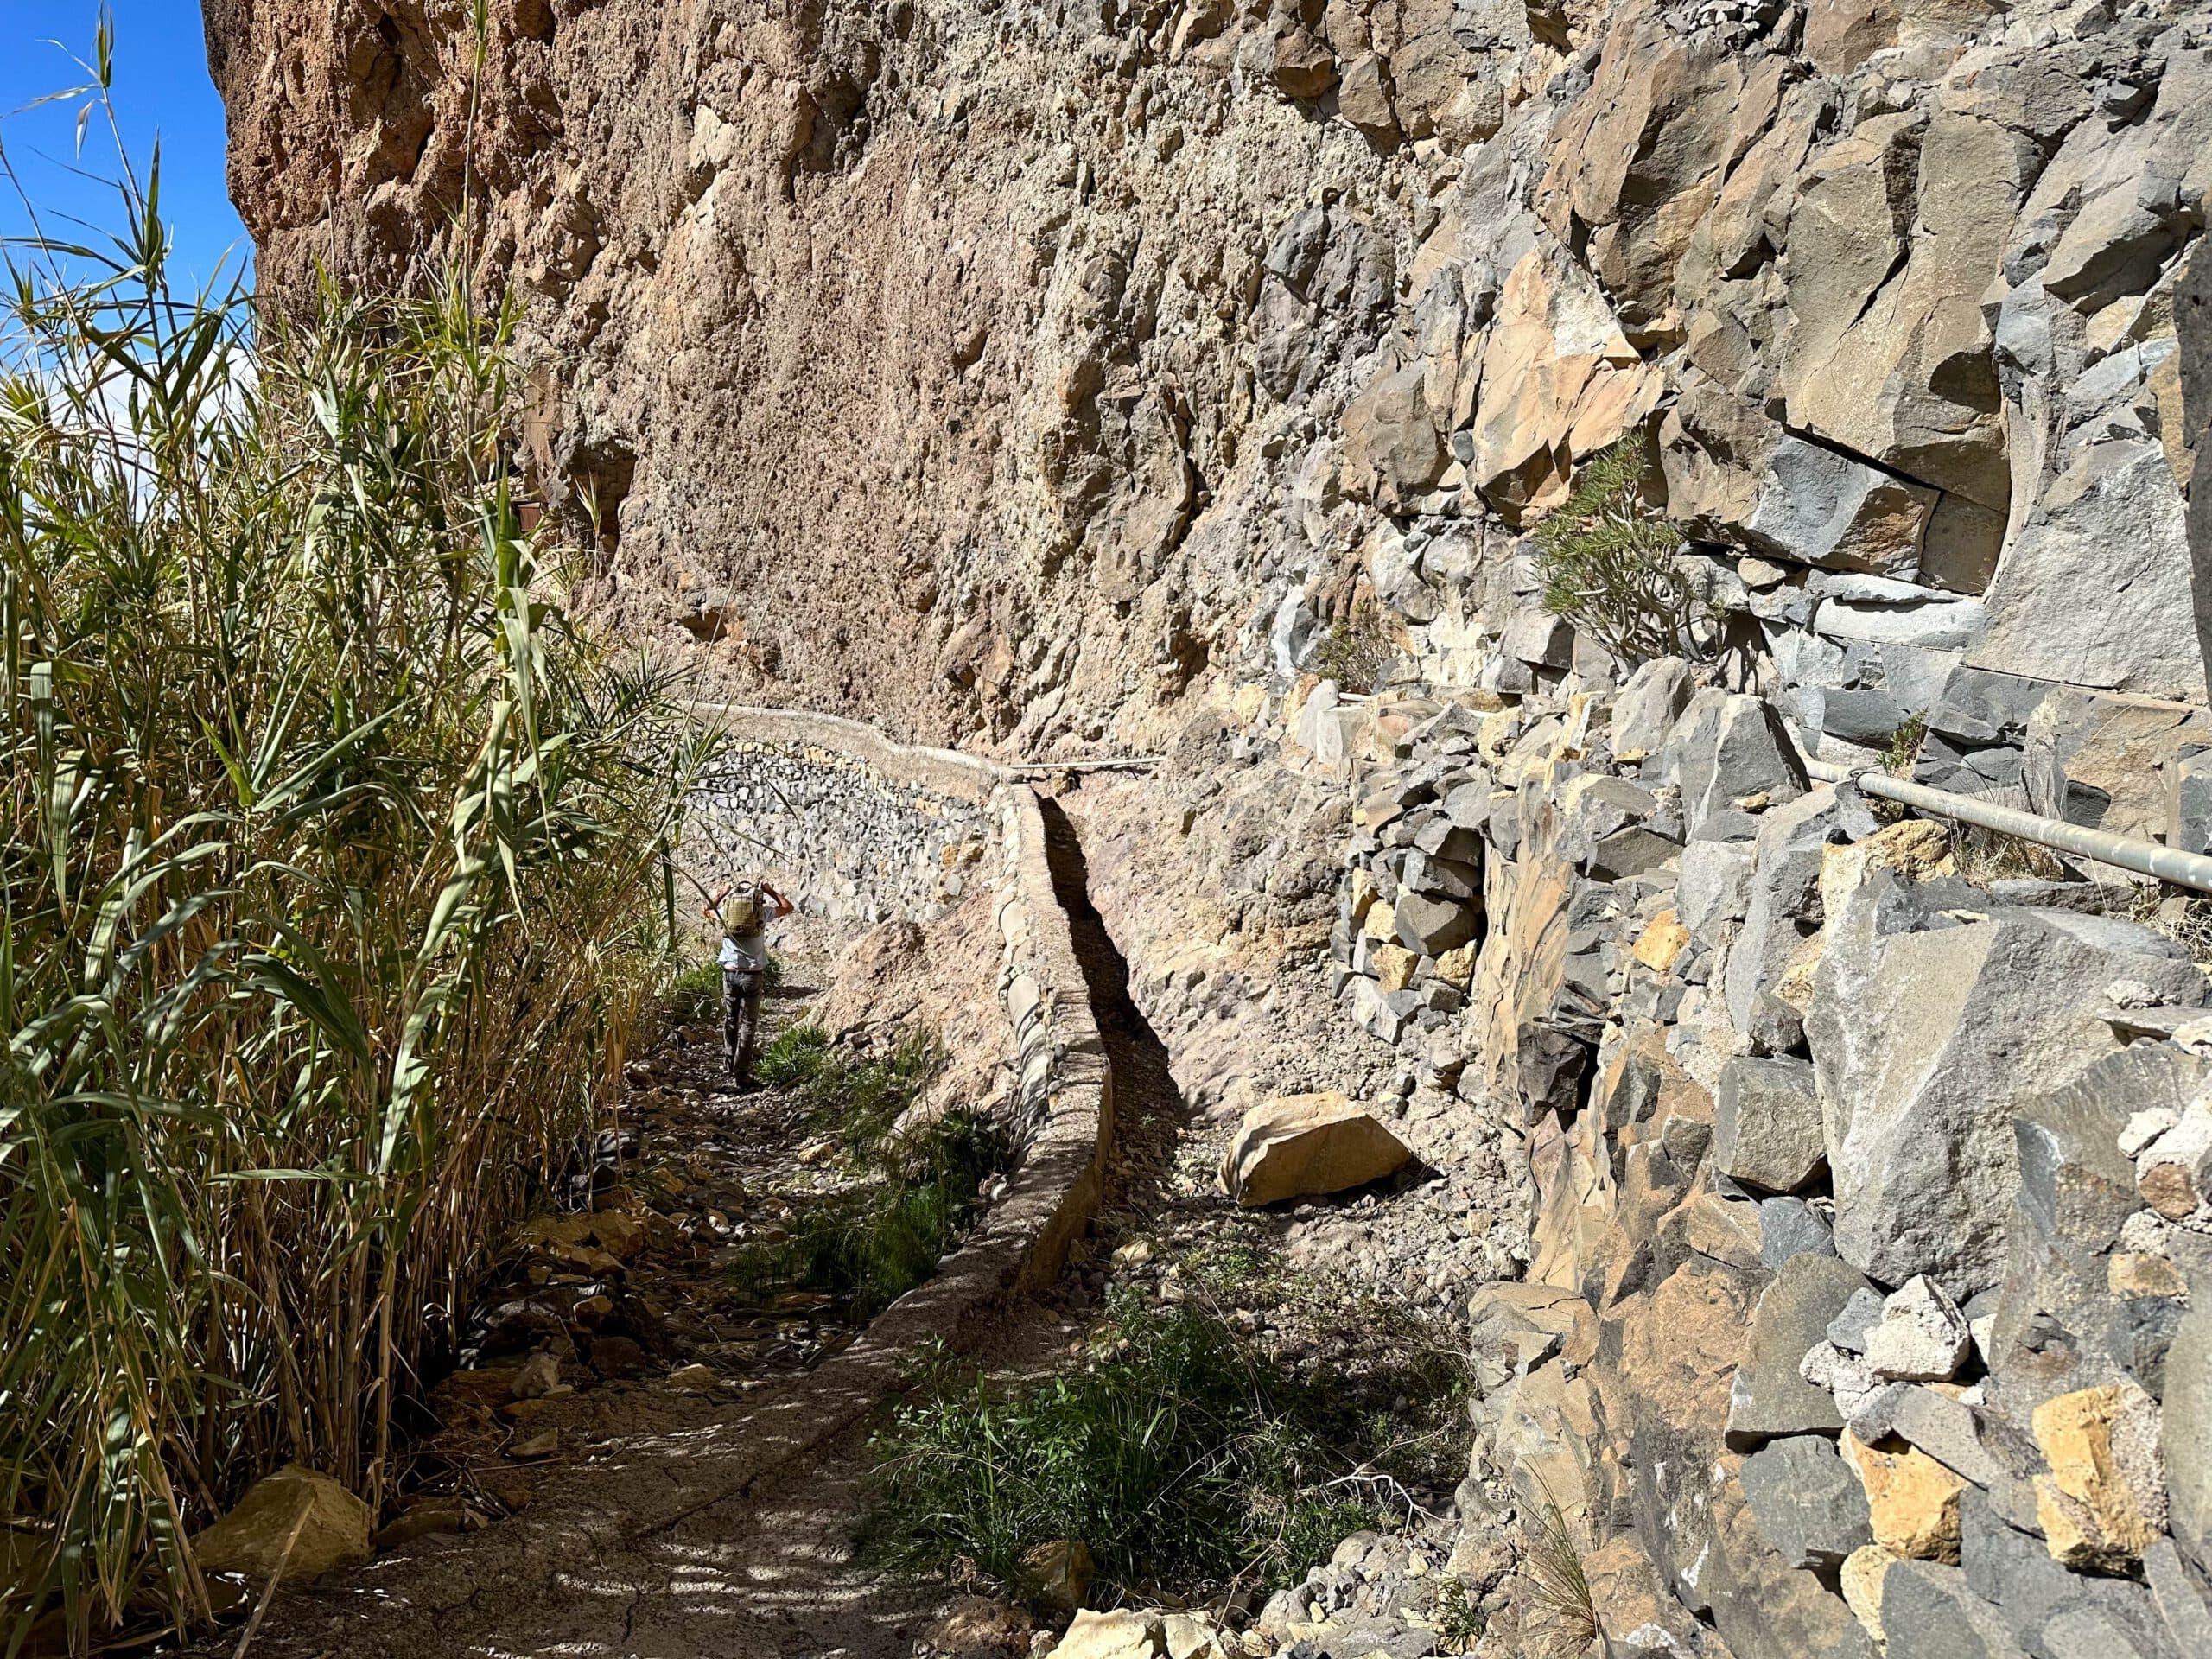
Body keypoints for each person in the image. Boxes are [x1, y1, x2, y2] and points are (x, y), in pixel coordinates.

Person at [706, 877, 793, 1086]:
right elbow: (787, 907)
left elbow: (705, 909)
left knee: (731, 1019)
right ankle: (741, 1073)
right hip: (752, 974)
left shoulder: (725, 914)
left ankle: (729, 1063)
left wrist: (721, 893)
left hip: (730, 972)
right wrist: (770, 890)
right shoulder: (761, 914)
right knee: (748, 1023)